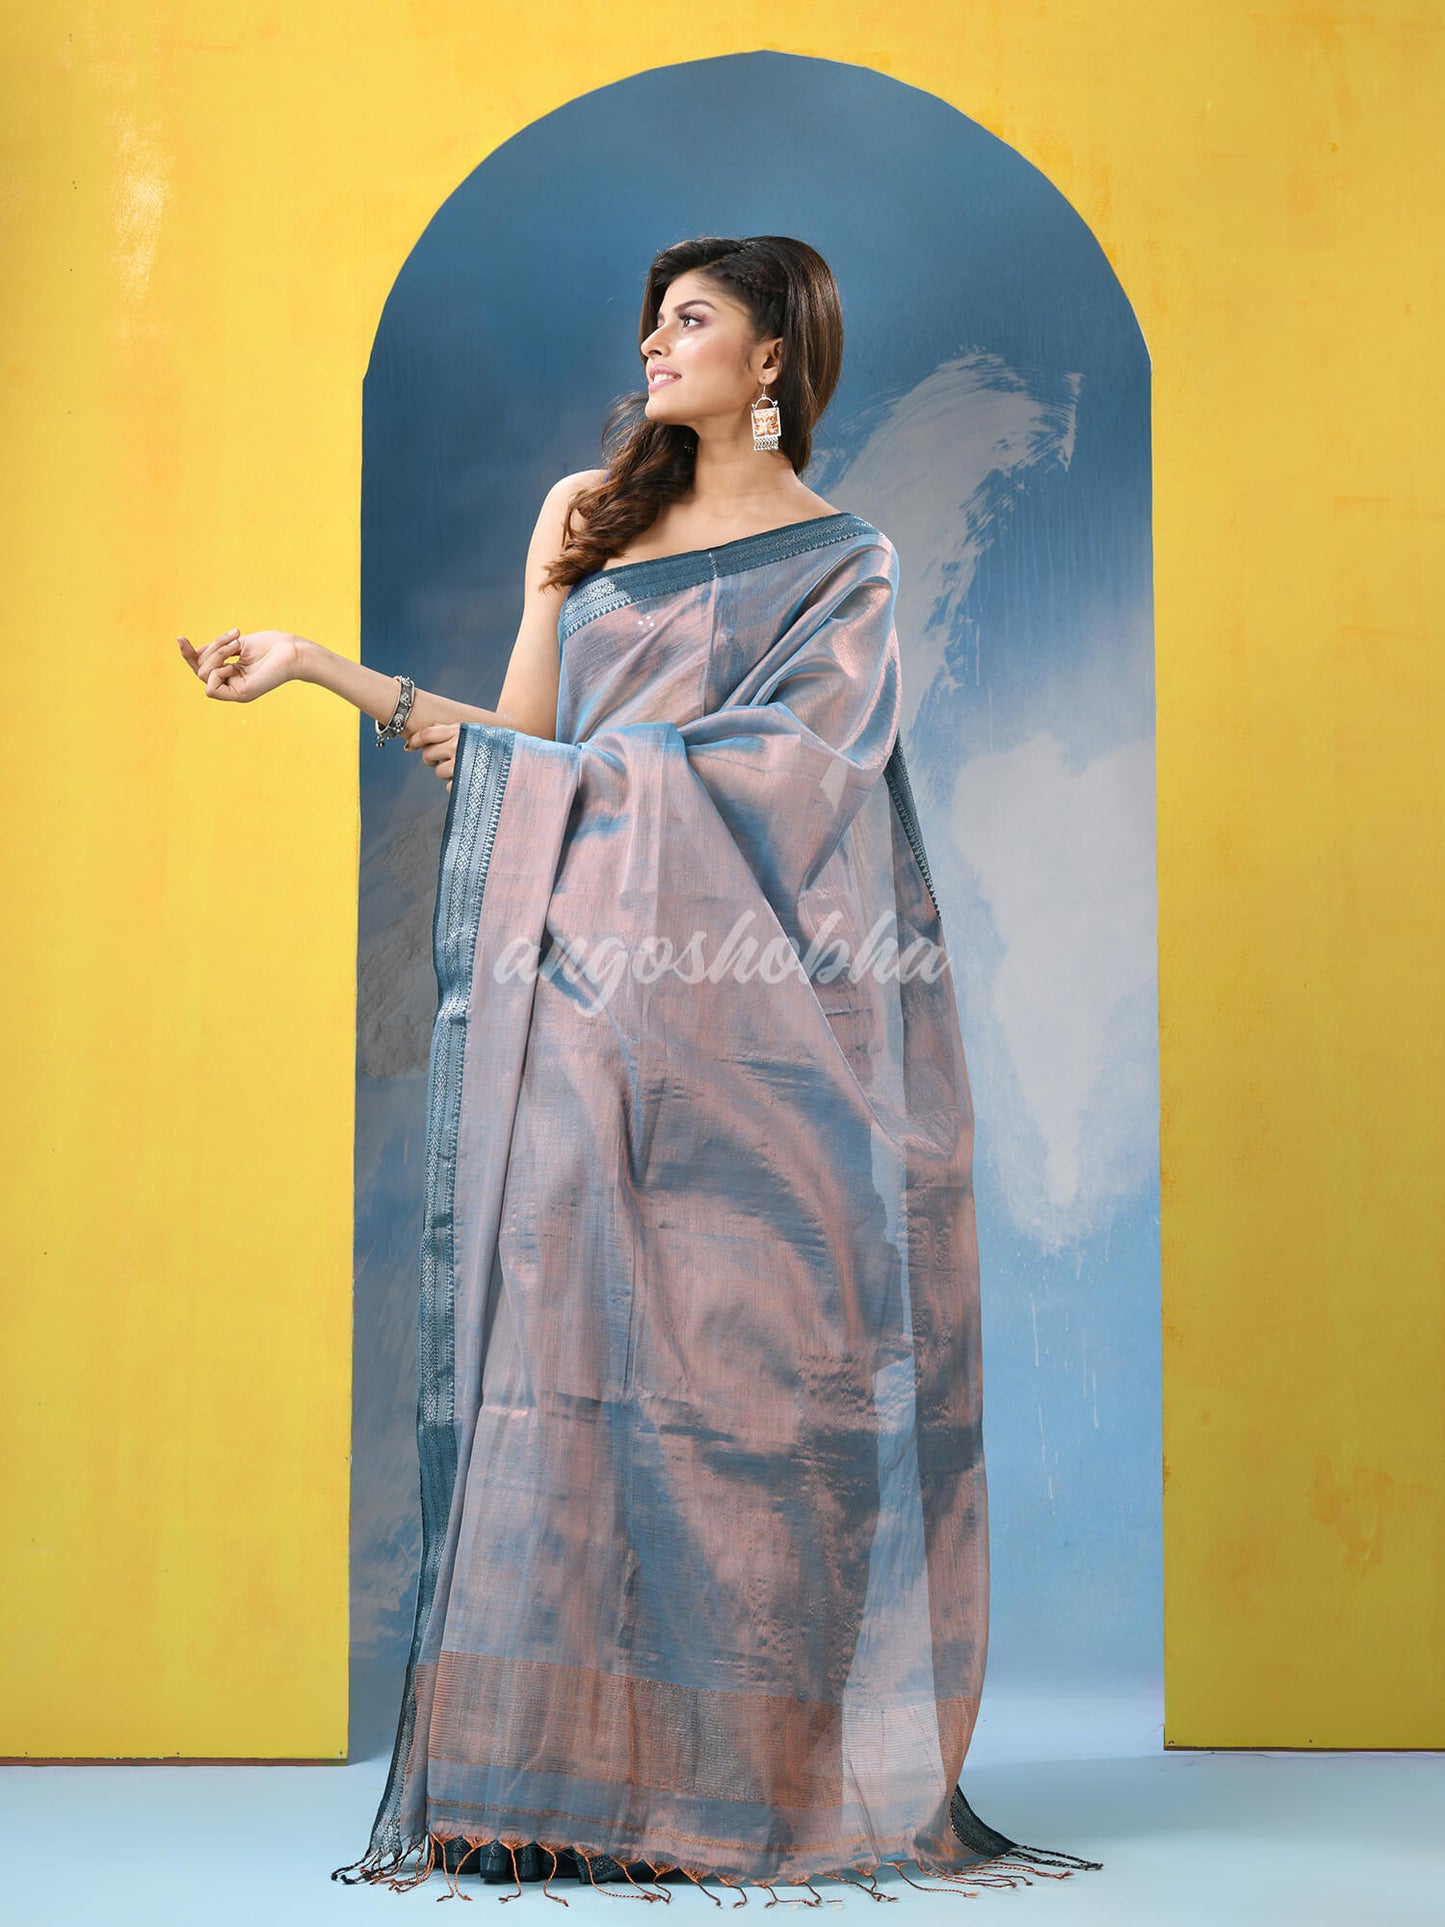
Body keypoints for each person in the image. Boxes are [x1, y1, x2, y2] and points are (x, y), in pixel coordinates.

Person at [178, 234, 1102, 1904]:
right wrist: (316, 666)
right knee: (559, 1375)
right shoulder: (584, 520)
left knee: (750, 1386)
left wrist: (627, 771)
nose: (653, 346)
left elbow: (802, 780)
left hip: (754, 1036)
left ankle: (744, 1788)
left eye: (690, 321)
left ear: (772, 358)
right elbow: (524, 751)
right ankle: (542, 1792)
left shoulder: (844, 562)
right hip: (577, 1015)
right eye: (652, 321)